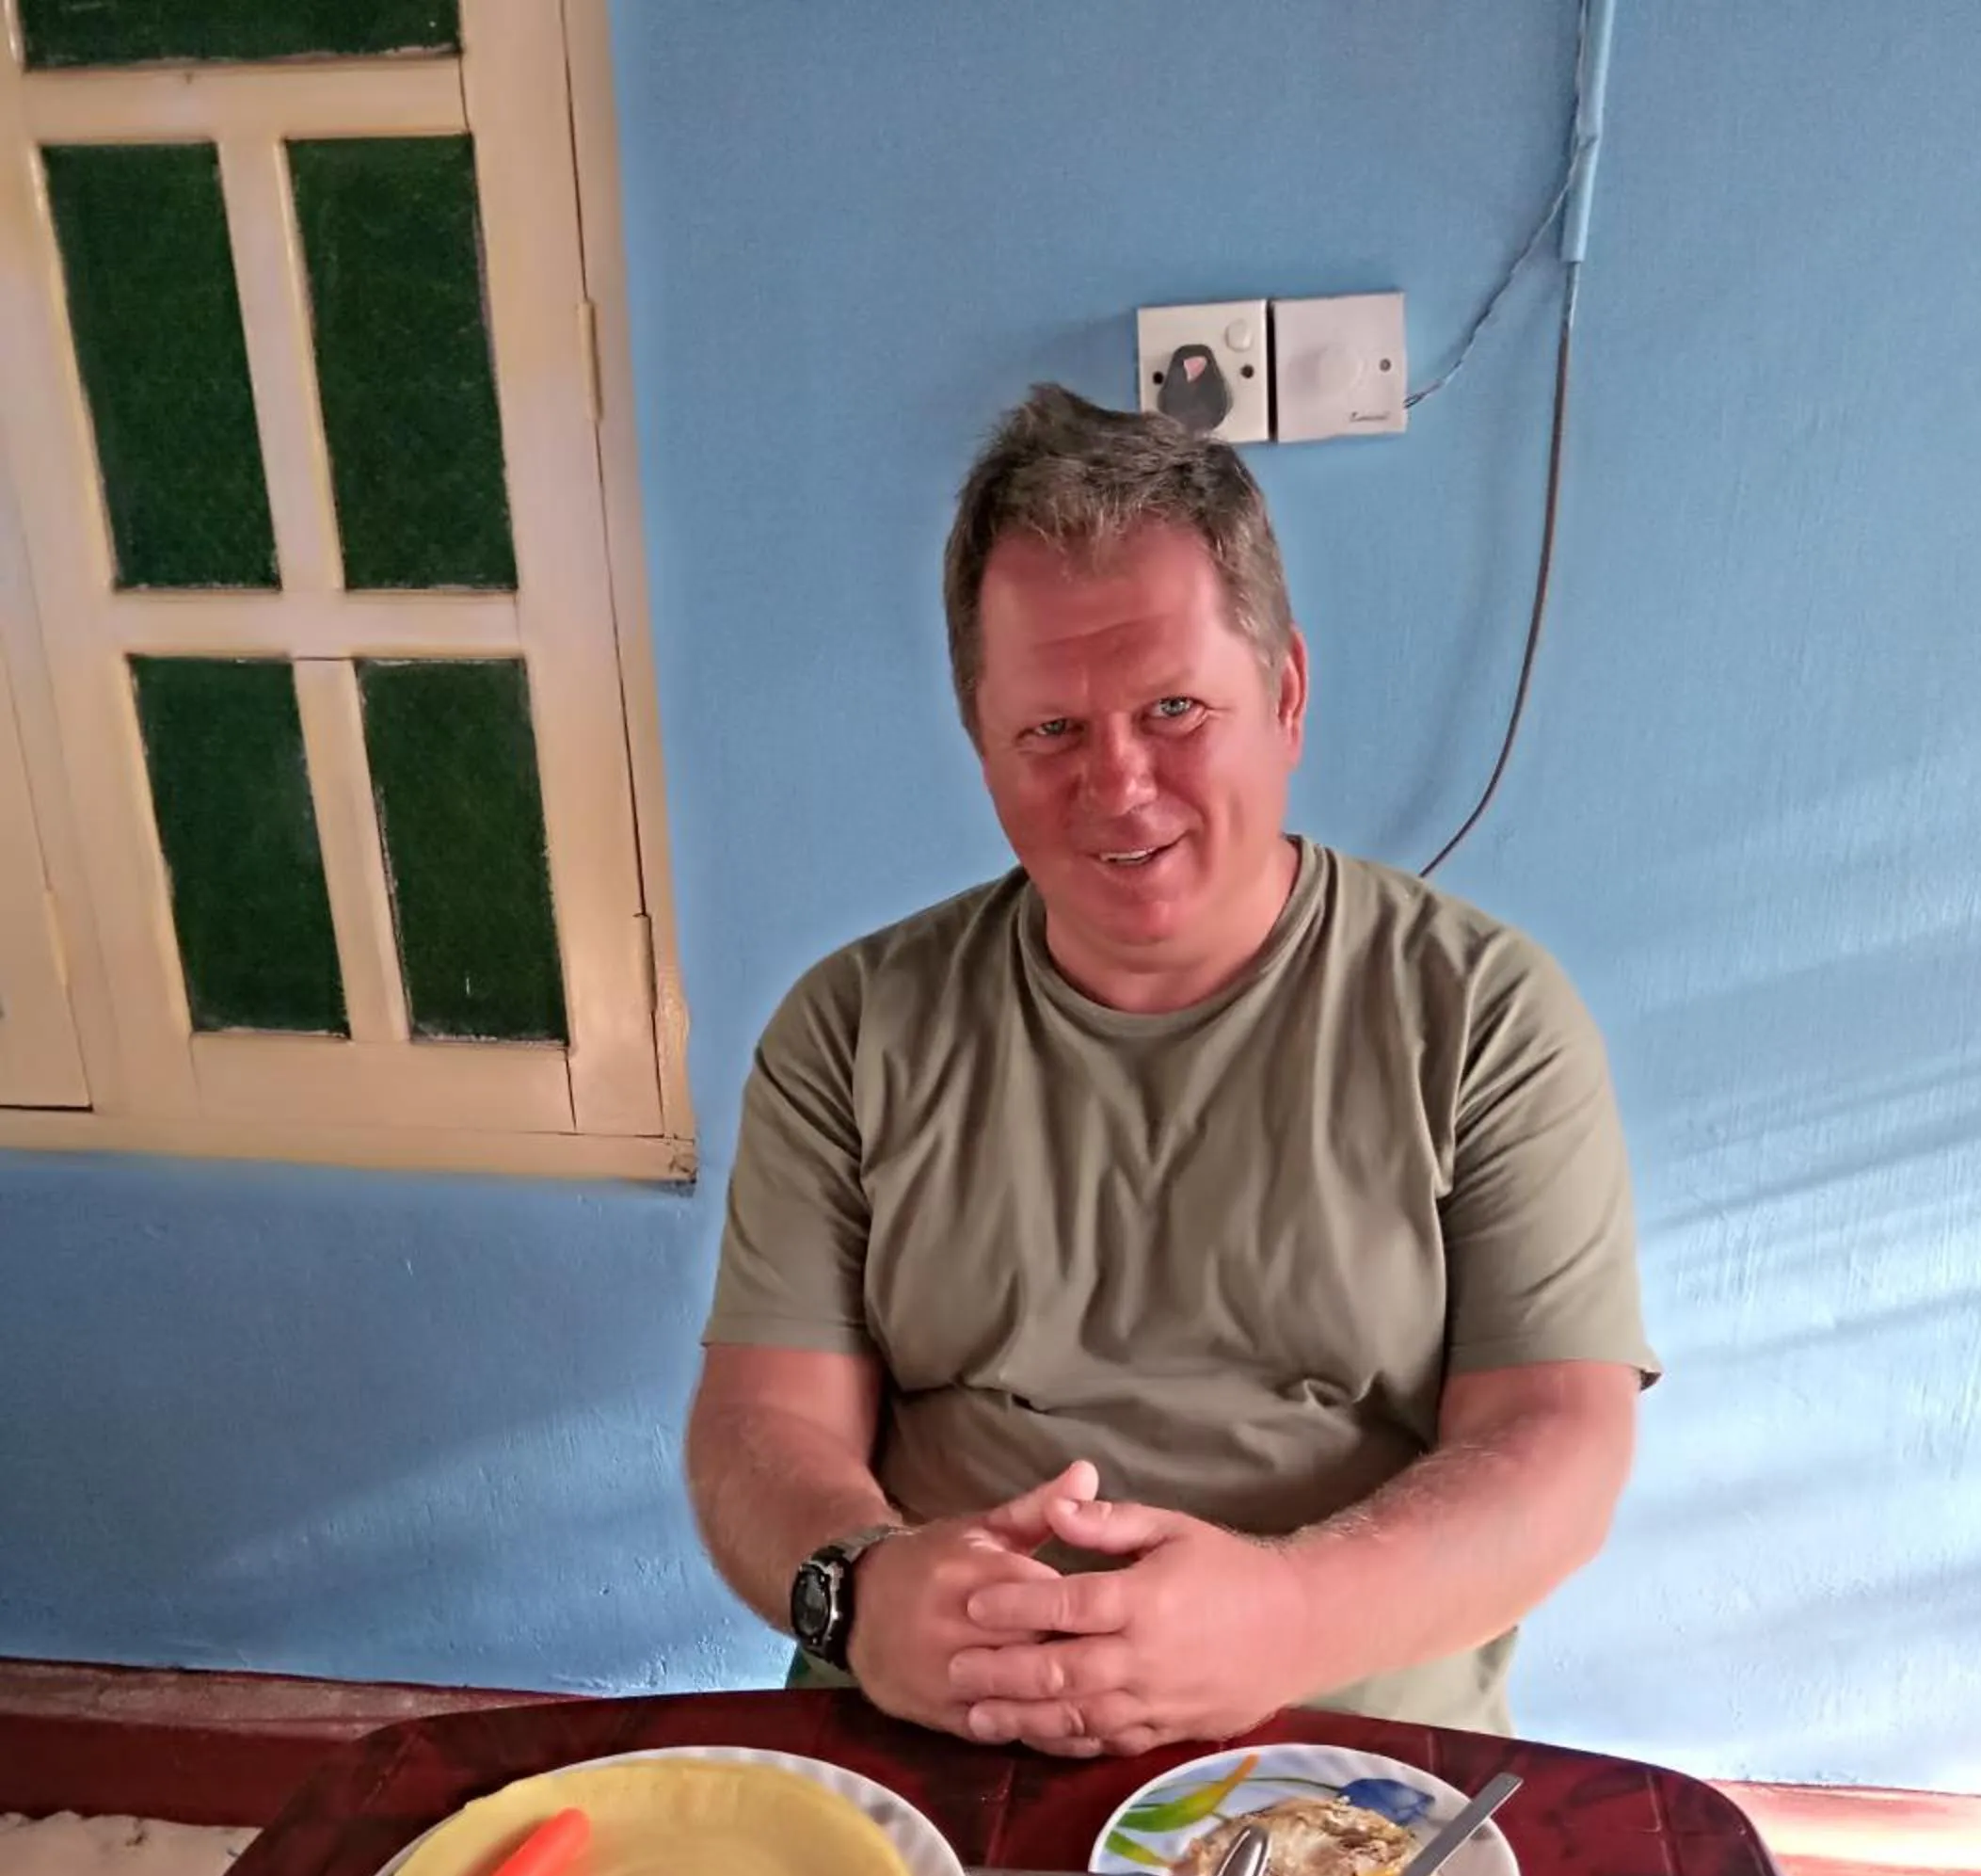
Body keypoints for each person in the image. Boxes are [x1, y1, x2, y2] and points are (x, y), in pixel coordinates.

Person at [687, 383, 1654, 1761]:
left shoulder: (1483, 1016)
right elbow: (759, 1427)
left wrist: (1284, 1613)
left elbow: (1556, 1450)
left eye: (1174, 709)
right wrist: (858, 1591)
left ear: (1285, 693)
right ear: (979, 738)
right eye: (1049, 732)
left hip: (1337, 1742)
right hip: (931, 1738)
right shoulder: (847, 1028)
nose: (1118, 784)